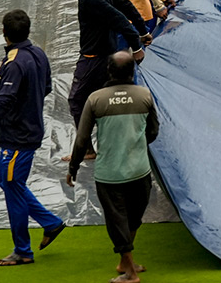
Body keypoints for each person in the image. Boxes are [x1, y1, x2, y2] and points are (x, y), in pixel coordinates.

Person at [0, 9, 65, 267]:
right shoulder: (38, 53)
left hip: (18, 138)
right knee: (8, 182)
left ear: (4, 32)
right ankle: (51, 223)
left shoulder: (15, 63)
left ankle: (23, 251)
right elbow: (47, 87)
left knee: (12, 187)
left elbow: (4, 103)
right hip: (29, 130)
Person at [67, 51, 158, 283]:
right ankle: (125, 262)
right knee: (133, 219)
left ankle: (130, 273)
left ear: (108, 71)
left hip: (110, 174)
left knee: (117, 222)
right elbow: (154, 132)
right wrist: (135, 144)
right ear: (132, 72)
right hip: (139, 170)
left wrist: (74, 167)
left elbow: (81, 139)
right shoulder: (145, 95)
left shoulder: (95, 99)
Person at [61, 0, 150, 161]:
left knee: (76, 100)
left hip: (93, 59)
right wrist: (143, 30)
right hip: (109, 55)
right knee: (110, 98)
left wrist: (136, 47)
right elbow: (127, 6)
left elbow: (118, 18)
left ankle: (87, 149)